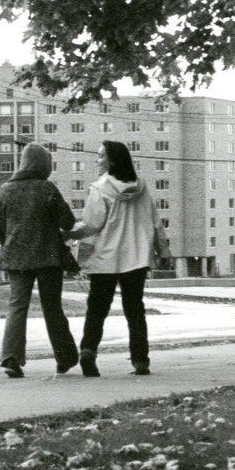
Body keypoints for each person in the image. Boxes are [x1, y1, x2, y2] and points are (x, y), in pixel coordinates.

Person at [72, 140, 171, 377]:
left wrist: (70, 234)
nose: (96, 161)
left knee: (96, 309)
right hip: (136, 258)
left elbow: (91, 225)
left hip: (105, 258)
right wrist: (163, 250)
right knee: (135, 310)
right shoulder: (142, 187)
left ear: (112, 161)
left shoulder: (99, 189)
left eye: (100, 156)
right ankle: (140, 360)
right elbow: (155, 221)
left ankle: (88, 351)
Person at [0, 142, 79, 378]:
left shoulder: (6, 190)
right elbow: (68, 222)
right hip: (47, 257)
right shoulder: (47, 188)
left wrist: (12, 241)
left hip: (16, 257)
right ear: (44, 165)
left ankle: (11, 358)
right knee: (52, 308)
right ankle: (65, 357)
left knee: (17, 306)